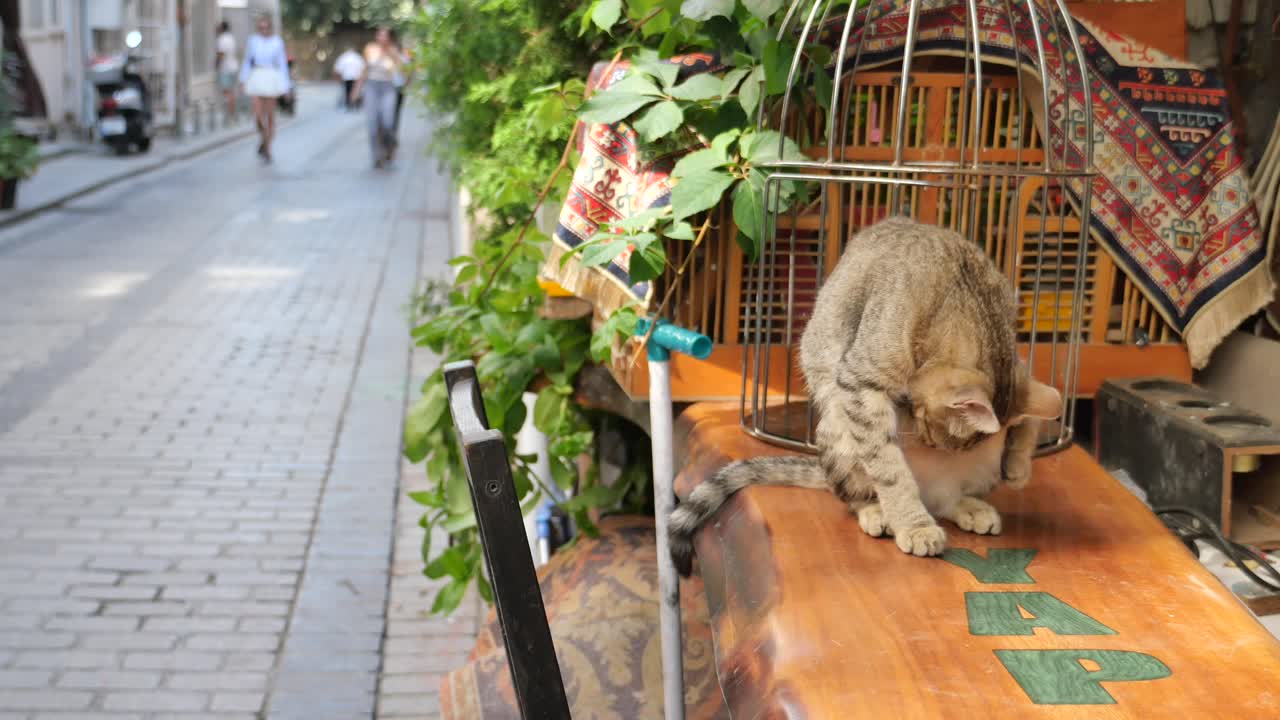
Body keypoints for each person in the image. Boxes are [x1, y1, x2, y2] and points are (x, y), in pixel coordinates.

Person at [239, 14, 290, 163]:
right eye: (261, 27)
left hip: (271, 77)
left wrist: (286, 86)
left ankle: (267, 147)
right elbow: (247, 60)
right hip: (257, 75)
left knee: (270, 116)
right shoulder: (253, 41)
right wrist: (243, 80)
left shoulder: (277, 42)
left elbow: (282, 64)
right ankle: (264, 139)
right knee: (258, 115)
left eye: (266, 27)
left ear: (270, 27)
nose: (264, 30)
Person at [351, 27, 404, 169]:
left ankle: (389, 148)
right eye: (380, 35)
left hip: (388, 87)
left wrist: (391, 55)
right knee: (372, 124)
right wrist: (356, 90)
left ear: (389, 38)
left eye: (385, 36)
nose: (382, 38)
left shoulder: (394, 50)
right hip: (371, 87)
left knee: (388, 122)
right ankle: (376, 156)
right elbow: (364, 70)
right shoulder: (370, 49)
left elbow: (401, 70)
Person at [214, 21, 238, 125]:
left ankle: (230, 117)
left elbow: (221, 55)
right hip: (234, 67)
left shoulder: (222, 39)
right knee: (231, 93)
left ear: (222, 28)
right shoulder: (231, 38)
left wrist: (216, 66)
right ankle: (232, 116)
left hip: (225, 69)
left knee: (227, 93)